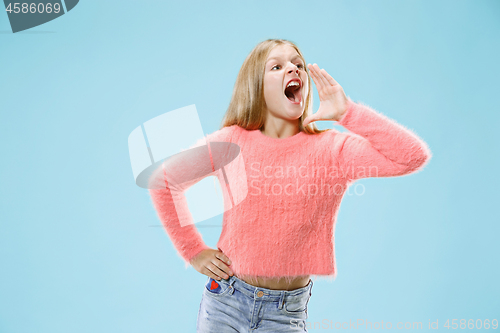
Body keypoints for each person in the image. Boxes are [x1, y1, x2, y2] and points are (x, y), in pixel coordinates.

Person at [148, 38, 432, 332]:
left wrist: (348, 113)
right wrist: (193, 251)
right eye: (277, 66)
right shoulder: (231, 141)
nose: (293, 70)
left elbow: (411, 157)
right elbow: (163, 182)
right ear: (256, 85)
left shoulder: (332, 150)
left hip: (285, 313)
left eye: (298, 64)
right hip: (225, 302)